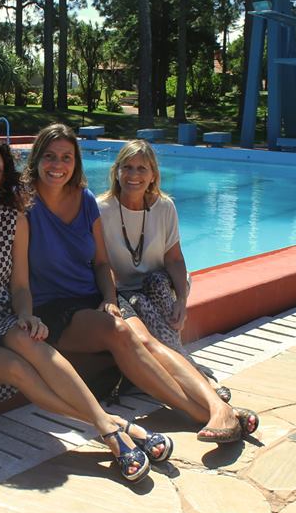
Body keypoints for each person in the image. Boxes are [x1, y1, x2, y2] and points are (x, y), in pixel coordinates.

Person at [0, 132, 168, 483]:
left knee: (34, 345)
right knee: (19, 370)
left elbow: (20, 284)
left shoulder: (10, 217)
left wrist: (26, 314)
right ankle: (113, 428)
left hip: (2, 318)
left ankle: (109, 430)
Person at [23, 123, 258, 445]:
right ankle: (204, 414)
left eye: (66, 157)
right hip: (53, 307)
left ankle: (218, 406)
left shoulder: (85, 200)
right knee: (121, 333)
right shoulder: (23, 205)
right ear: (36, 159)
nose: (57, 165)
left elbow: (102, 263)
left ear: (76, 161)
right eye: (49, 156)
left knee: (149, 341)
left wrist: (108, 297)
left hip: (95, 296)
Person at [96, 139, 230, 401]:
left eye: (142, 168)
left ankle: (185, 369)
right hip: (122, 291)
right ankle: (195, 373)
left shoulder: (165, 207)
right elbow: (101, 263)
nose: (134, 175)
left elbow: (175, 260)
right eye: (128, 167)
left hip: (159, 285)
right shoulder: (102, 209)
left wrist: (181, 299)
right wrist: (110, 299)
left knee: (156, 282)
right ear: (117, 171)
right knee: (140, 303)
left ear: (153, 174)